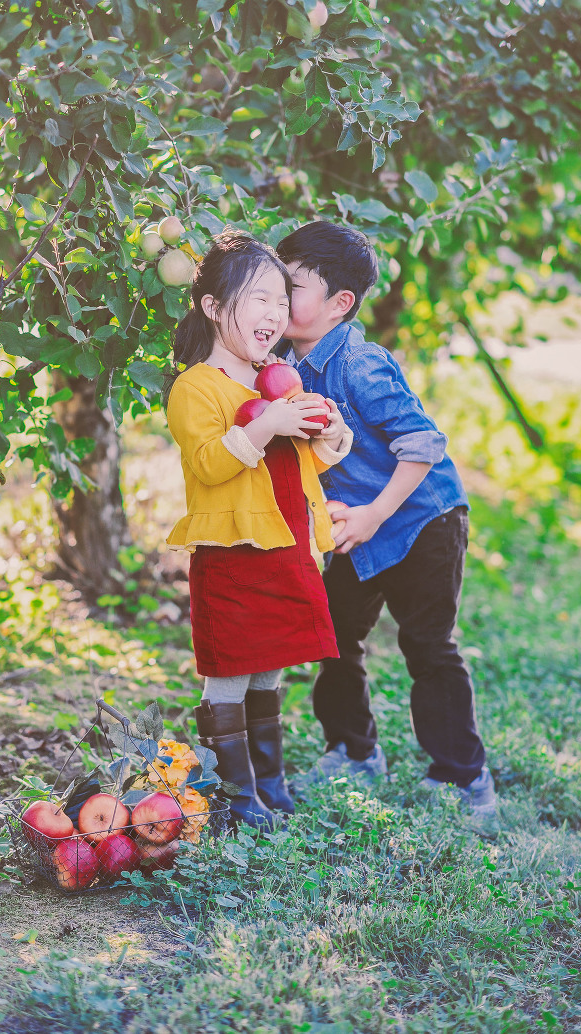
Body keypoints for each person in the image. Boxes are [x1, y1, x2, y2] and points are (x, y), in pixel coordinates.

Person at [274, 220, 496, 815]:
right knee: (334, 638)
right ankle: (353, 751)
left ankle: (462, 775)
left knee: (427, 645)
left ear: (340, 303)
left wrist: (373, 513)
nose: (277, 294)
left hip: (422, 520)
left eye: (292, 285)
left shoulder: (359, 364)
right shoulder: (279, 365)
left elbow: (423, 445)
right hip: (357, 529)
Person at [165, 231, 352, 828]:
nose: (274, 313)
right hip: (233, 552)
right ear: (214, 308)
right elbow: (211, 465)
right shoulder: (196, 387)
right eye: (258, 300)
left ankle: (270, 782)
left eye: (280, 299)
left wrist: (326, 432)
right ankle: (237, 796)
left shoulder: (278, 376)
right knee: (230, 669)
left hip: (286, 543)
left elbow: (307, 460)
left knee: (270, 663)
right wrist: (269, 420)